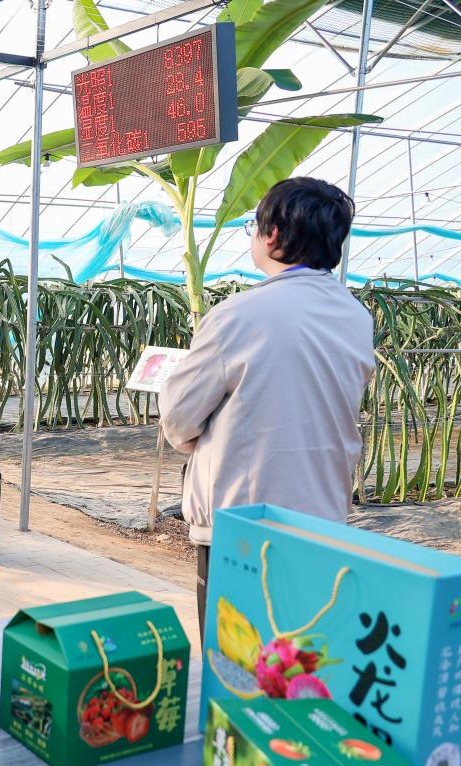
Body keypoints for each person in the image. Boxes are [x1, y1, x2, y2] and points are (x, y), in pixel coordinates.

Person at [160, 177, 375, 638]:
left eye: (254, 228)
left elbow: (178, 418)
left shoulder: (239, 314)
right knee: (296, 662)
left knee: (235, 673)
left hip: (243, 528)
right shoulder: (356, 317)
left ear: (272, 235)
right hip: (322, 525)